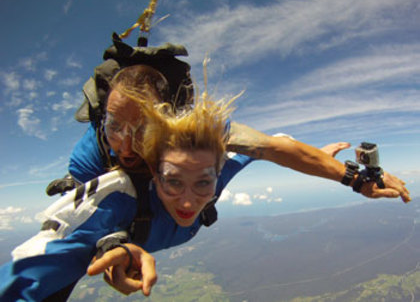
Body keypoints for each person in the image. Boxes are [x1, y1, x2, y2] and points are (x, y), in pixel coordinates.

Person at [0, 79, 411, 300]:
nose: (187, 200)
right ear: (154, 172)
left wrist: (355, 177)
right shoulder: (114, 192)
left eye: (203, 183)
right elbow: (32, 264)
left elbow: (276, 145)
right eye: (172, 181)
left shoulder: (210, 160)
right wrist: (115, 243)